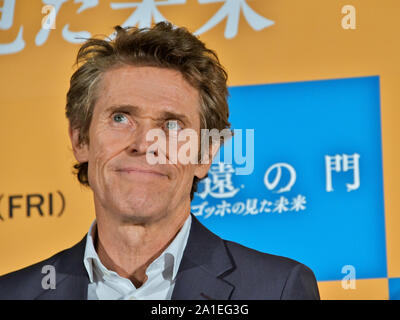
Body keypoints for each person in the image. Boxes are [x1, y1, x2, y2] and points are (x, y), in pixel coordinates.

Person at [0, 22, 320, 300]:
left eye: (171, 125)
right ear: (80, 139)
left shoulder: (275, 289)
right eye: (121, 118)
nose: (144, 144)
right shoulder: (13, 293)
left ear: (205, 154)